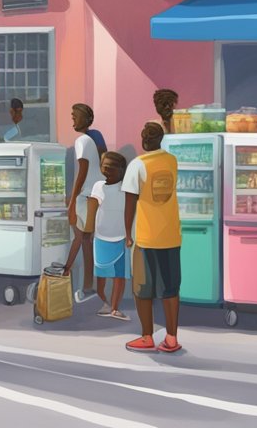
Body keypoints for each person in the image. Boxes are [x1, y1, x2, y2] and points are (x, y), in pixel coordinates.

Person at [123, 121, 183, 354]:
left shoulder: (137, 165)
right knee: (170, 288)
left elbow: (130, 205)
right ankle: (171, 338)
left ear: (143, 140)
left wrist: (127, 234)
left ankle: (147, 336)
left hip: (146, 237)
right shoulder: (171, 161)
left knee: (142, 288)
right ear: (161, 139)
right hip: (170, 235)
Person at [65, 103, 104, 304]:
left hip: (85, 197)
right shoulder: (89, 140)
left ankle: (78, 280)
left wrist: (71, 202)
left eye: (75, 116)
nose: (73, 119)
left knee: (82, 239)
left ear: (85, 120)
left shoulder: (82, 140)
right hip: (91, 196)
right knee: (84, 240)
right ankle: (86, 285)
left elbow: (82, 172)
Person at [88, 151, 130, 320]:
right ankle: (104, 302)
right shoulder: (98, 186)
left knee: (119, 276)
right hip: (101, 236)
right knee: (101, 275)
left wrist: (129, 234)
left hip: (120, 237)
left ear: (121, 170)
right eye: (105, 167)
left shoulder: (126, 188)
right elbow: (92, 209)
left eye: (112, 168)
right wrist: (89, 230)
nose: (107, 171)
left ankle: (114, 308)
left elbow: (130, 212)